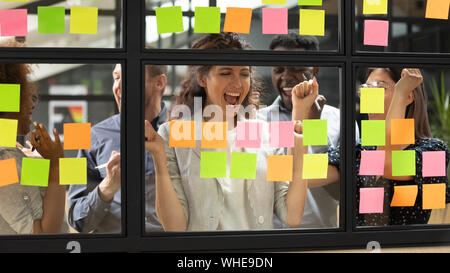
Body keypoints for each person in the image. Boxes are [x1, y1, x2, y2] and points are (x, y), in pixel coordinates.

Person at [144, 33, 308, 231]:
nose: (238, 84)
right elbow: (175, 226)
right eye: (226, 73)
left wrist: (300, 146)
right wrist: (158, 158)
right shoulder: (173, 134)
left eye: (244, 74)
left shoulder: (267, 133)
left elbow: (291, 215)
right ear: (203, 78)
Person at [323, 68, 449, 226]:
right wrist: (308, 116)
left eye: (379, 89)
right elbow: (307, 174)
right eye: (365, 90)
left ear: (409, 96)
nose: (369, 98)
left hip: (407, 249)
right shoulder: (359, 149)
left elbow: (386, 164)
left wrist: (400, 94)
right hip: (359, 248)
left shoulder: (433, 150)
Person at [258, 32, 353, 229]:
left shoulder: (339, 120)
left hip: (321, 238)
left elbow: (343, 186)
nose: (286, 77)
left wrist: (313, 125)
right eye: (278, 69)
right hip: (270, 238)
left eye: (295, 68)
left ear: (315, 69)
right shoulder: (257, 120)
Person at [67, 63, 169, 233]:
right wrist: (106, 188)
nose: (118, 86)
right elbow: (76, 220)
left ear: (159, 82)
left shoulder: (184, 135)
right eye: (116, 78)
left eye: (128, 77)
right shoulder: (92, 136)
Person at [0, 40, 68, 234]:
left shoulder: (13, 153)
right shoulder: (5, 159)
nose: (32, 101)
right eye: (24, 87)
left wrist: (44, 167)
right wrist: (56, 166)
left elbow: (38, 204)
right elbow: (43, 235)